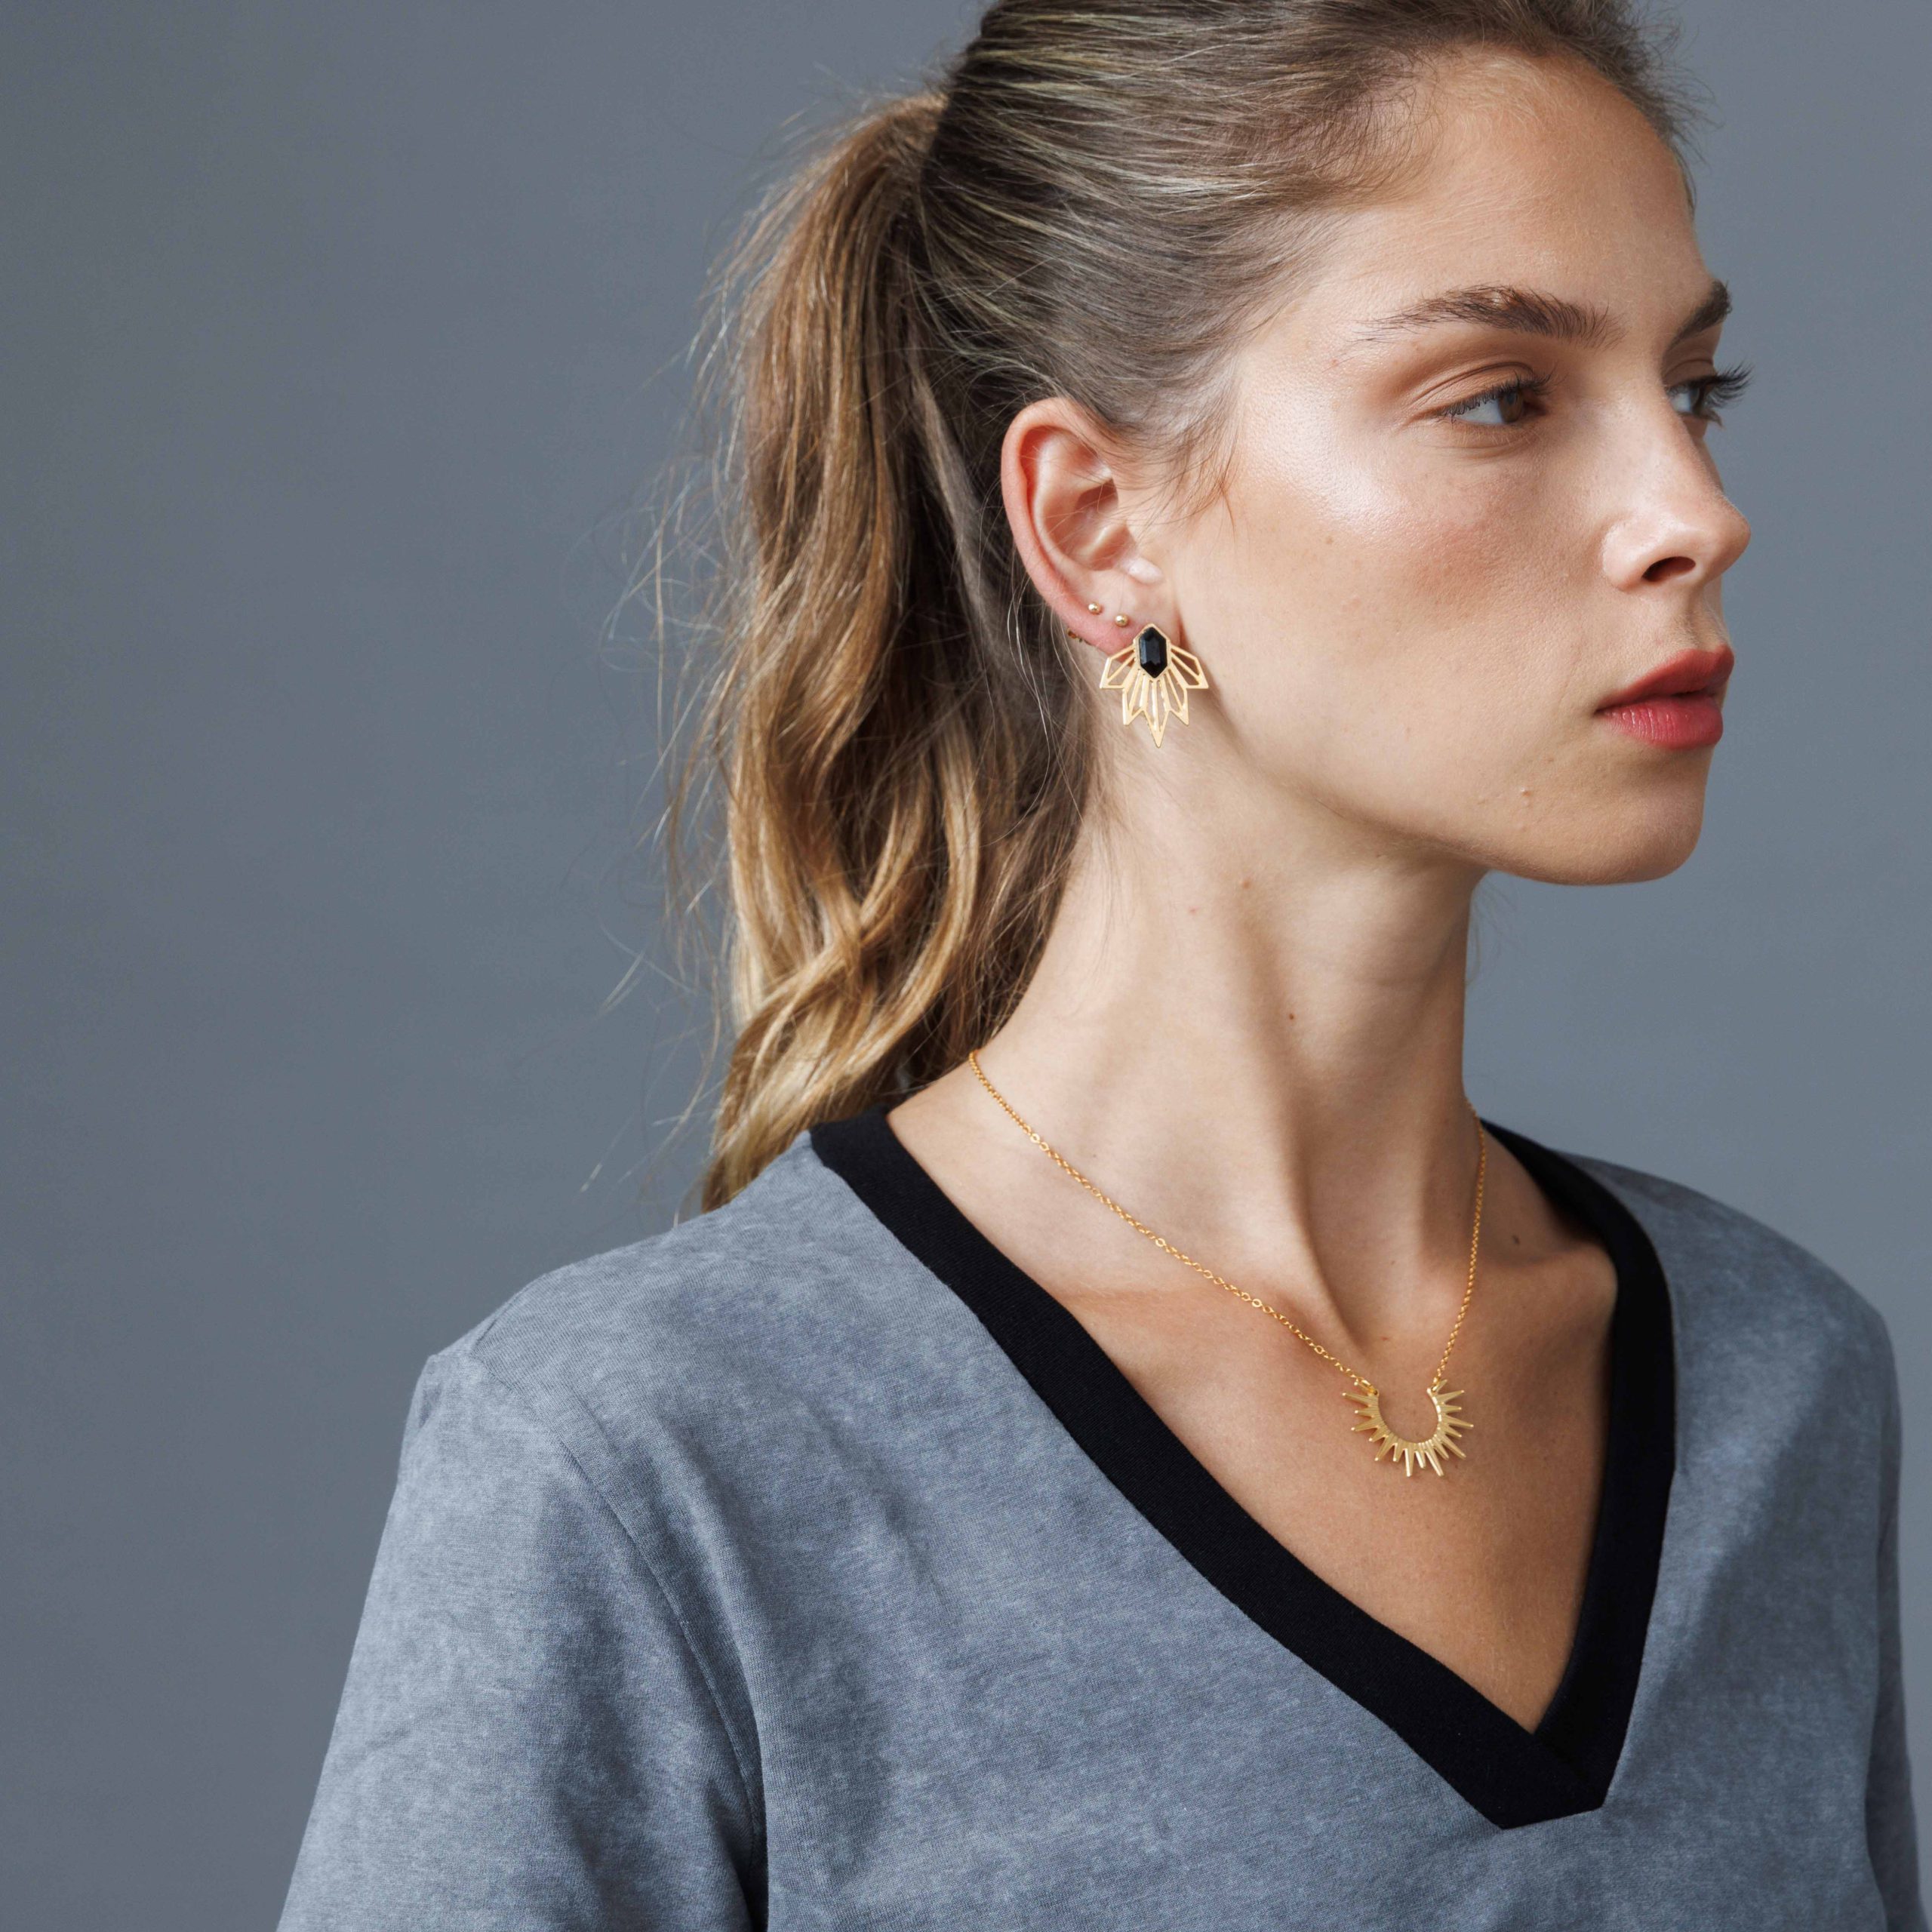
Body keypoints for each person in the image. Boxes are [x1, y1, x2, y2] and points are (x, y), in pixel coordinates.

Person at [279, 2, 1924, 1925]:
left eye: (1692, 389)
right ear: (1095, 524)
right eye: (1500, 396)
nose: (1696, 514)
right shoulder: (646, 1457)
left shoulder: (1774, 1379)